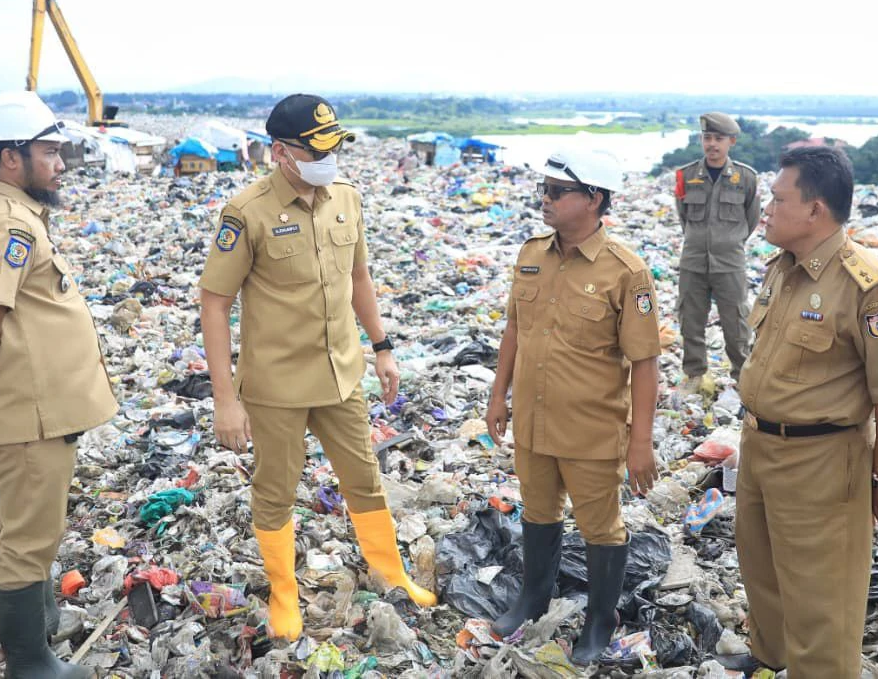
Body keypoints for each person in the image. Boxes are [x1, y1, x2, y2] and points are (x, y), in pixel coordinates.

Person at [197, 94, 435, 641]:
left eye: (335, 146)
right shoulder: (247, 212)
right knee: (276, 488)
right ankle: (284, 592)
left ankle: (389, 571)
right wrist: (225, 400)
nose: (330, 159)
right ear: (280, 152)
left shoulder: (346, 199)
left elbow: (359, 279)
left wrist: (382, 346)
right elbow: (214, 302)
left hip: (341, 374)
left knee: (364, 479)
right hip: (276, 383)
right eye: (318, 149)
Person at [0, 91, 117, 679]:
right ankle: (31, 666)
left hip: (43, 408)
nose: (60, 164)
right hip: (31, 414)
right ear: (12, 157)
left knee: (32, 526)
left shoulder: (20, 217)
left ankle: (42, 634)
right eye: (50, 152)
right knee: (30, 538)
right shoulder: (7, 225)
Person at [733, 145, 878, 677]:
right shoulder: (783, 269)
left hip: (821, 461)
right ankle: (769, 661)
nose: (765, 209)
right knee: (763, 575)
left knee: (822, 597)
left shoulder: (868, 287)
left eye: (777, 198)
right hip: (760, 447)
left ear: (815, 210)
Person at [485, 148, 663, 666]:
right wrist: (499, 396)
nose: (546, 198)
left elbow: (645, 363)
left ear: (595, 199)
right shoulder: (532, 253)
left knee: (600, 528)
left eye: (558, 191)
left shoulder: (626, 272)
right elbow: (514, 328)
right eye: (545, 189)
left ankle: (599, 622)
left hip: (590, 427)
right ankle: (532, 600)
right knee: (538, 513)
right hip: (534, 424)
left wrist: (641, 443)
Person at [674, 112, 760, 389]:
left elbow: (752, 218)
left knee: (736, 324)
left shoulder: (746, 178)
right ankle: (695, 375)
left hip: (730, 263)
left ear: (731, 141)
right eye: (707, 138)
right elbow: (683, 216)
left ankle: (742, 376)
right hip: (693, 261)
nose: (712, 144)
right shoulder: (685, 175)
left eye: (718, 139)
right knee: (691, 321)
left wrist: (730, 242)